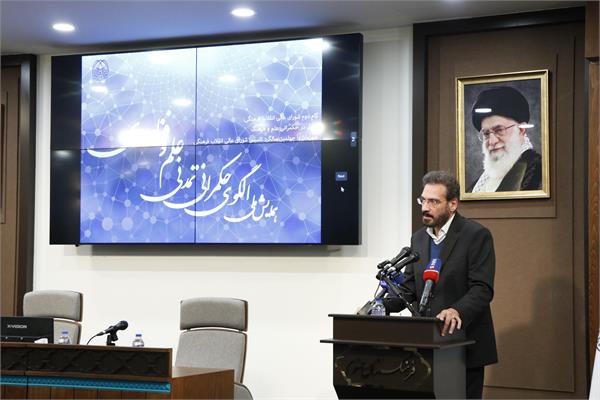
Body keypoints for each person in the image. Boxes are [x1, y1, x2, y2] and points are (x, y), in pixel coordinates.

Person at [384, 171, 498, 399]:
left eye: (434, 202)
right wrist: (380, 306)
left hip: (463, 345)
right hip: (424, 347)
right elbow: (409, 288)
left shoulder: (476, 235)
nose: (425, 207)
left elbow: (482, 288)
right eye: (423, 200)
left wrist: (457, 310)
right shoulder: (418, 239)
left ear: (452, 204)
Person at [467, 86, 541, 193]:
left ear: (521, 130)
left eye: (499, 130)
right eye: (486, 133)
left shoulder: (538, 172)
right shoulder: (478, 184)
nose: (492, 141)